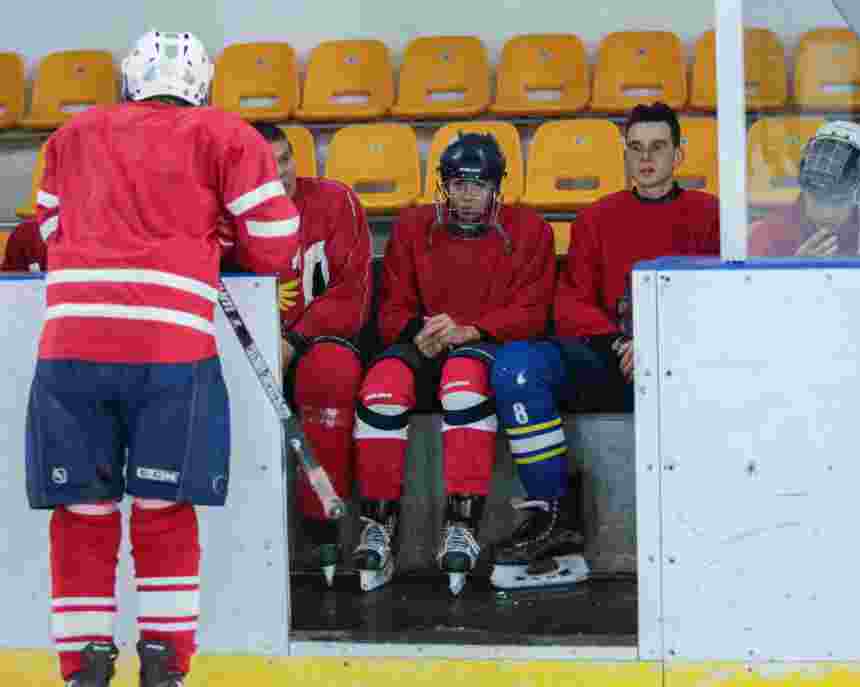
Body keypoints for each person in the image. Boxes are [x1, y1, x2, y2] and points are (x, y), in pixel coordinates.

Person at [25, 31, 300, 687]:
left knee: (83, 512)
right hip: (171, 350)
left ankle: (84, 665)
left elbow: (48, 230)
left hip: (71, 348)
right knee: (163, 508)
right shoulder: (230, 136)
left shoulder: (71, 135)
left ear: (129, 78)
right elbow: (276, 244)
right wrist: (220, 232)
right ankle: (163, 665)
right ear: (202, 84)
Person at [487, 102, 721, 589]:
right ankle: (554, 517)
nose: (646, 158)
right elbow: (570, 300)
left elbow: (722, 297)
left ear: (679, 155)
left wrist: (663, 343)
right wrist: (623, 342)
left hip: (689, 360)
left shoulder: (711, 215)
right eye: (635, 148)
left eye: (657, 147)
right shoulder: (597, 218)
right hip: (613, 358)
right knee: (517, 367)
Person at [352, 132, 556, 596]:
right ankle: (378, 525)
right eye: (458, 184)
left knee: (463, 381)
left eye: (479, 185)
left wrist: (473, 329)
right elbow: (392, 310)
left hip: (482, 343)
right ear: (443, 184)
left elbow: (533, 311)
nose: (468, 195)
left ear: (497, 186)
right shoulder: (413, 226)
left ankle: (461, 524)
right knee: (382, 385)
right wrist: (415, 333)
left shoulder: (530, 231)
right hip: (426, 341)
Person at [221, 122, 372, 587]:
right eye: (268, 165)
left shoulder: (334, 201)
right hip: (243, 345)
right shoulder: (222, 216)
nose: (281, 172)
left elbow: (354, 293)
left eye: (285, 159)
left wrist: (293, 339)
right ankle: (230, 532)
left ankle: (324, 527)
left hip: (317, 343)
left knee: (331, 373)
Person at [749, 121, 860, 257]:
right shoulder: (770, 233)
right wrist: (795, 275)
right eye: (816, 198)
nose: (825, 213)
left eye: (837, 200)